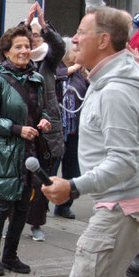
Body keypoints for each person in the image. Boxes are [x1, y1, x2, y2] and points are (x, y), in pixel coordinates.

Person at [42, 5, 139, 277]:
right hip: (123, 205)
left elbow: (123, 162)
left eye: (81, 33)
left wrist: (72, 187)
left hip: (121, 207)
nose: (73, 39)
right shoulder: (120, 69)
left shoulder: (116, 90)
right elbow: (115, 30)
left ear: (102, 41)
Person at [0, 25, 52, 276]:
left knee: (23, 207)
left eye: (27, 47)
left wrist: (43, 121)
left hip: (30, 152)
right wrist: (16, 129)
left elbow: (41, 109)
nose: (24, 51)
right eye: (18, 47)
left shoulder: (37, 79)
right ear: (7, 52)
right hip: (5, 153)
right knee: (3, 206)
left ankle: (10, 256)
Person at [23, 2, 66, 242]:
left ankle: (36, 223)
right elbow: (11, 41)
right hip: (24, 129)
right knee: (20, 181)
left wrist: (43, 21)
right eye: (30, 36)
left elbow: (59, 45)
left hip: (48, 131)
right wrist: (26, 24)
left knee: (43, 179)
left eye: (37, 36)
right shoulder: (18, 61)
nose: (34, 40)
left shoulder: (49, 61)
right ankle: (15, 221)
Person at [52, 37, 88, 220]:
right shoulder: (56, 67)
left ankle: (64, 205)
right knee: (51, 168)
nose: (78, 54)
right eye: (75, 50)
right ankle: (39, 206)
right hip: (57, 130)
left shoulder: (82, 73)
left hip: (74, 130)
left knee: (72, 170)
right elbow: (55, 78)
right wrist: (71, 69)